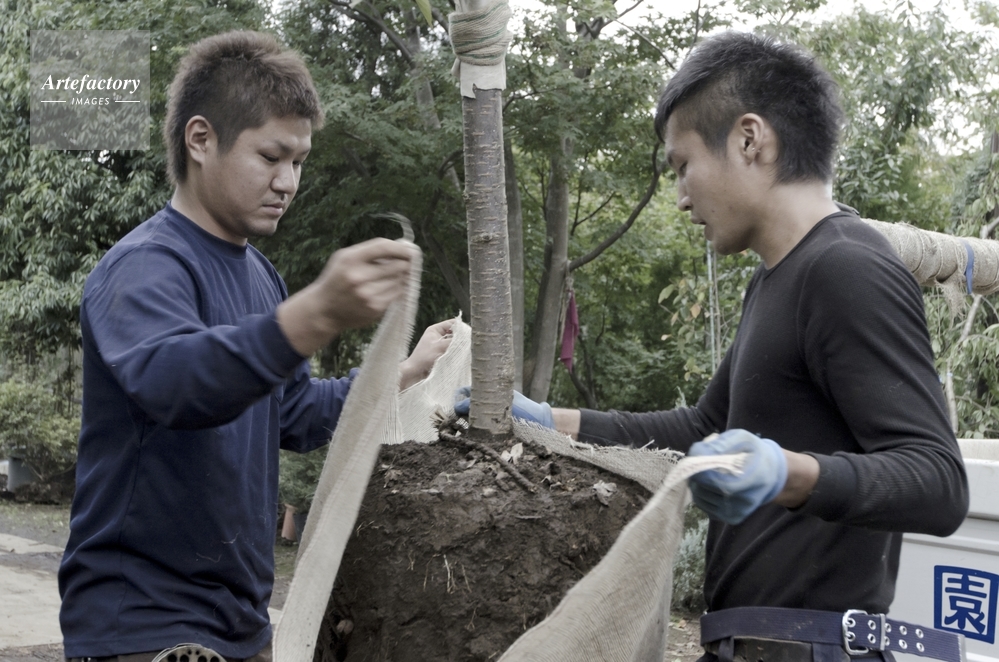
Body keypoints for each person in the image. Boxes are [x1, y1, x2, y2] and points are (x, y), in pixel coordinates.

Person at [476, 31, 969, 661]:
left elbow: (938, 481)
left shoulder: (845, 268)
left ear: (749, 139)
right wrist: (550, 422)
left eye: (683, 165)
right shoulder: (776, 277)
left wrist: (786, 473)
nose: (681, 197)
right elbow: (704, 427)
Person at [58, 31, 451, 662]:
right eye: (271, 156)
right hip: (147, 626)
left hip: (241, 624)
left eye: (299, 162)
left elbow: (292, 414)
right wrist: (315, 314)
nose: (287, 182)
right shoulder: (144, 266)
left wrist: (403, 372)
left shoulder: (262, 277)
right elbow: (174, 382)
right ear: (200, 140)